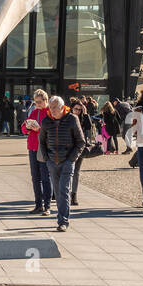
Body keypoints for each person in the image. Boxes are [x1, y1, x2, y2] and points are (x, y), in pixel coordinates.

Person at [37, 96, 84, 231]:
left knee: (64, 190)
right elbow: (42, 142)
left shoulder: (72, 119)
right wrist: (47, 159)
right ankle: (61, 218)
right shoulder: (46, 121)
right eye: (50, 107)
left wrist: (71, 159)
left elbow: (80, 142)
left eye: (55, 108)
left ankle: (63, 221)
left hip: (67, 161)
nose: (52, 110)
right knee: (57, 192)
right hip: (52, 161)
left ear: (62, 107)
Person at [21, 88, 53, 215]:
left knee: (45, 177)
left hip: (44, 148)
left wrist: (39, 129)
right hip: (32, 147)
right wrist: (27, 128)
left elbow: (50, 132)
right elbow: (23, 128)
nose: (37, 104)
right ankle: (38, 204)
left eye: (39, 102)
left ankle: (47, 206)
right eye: (35, 102)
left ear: (46, 100)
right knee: (35, 178)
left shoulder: (49, 113)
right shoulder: (34, 113)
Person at [69, 99, 93, 206]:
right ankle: (62, 192)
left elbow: (89, 127)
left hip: (79, 148)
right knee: (66, 171)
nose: (78, 111)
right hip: (68, 148)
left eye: (79, 109)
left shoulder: (83, 118)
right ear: (71, 109)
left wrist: (86, 113)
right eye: (76, 109)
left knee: (76, 172)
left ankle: (74, 195)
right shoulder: (67, 118)